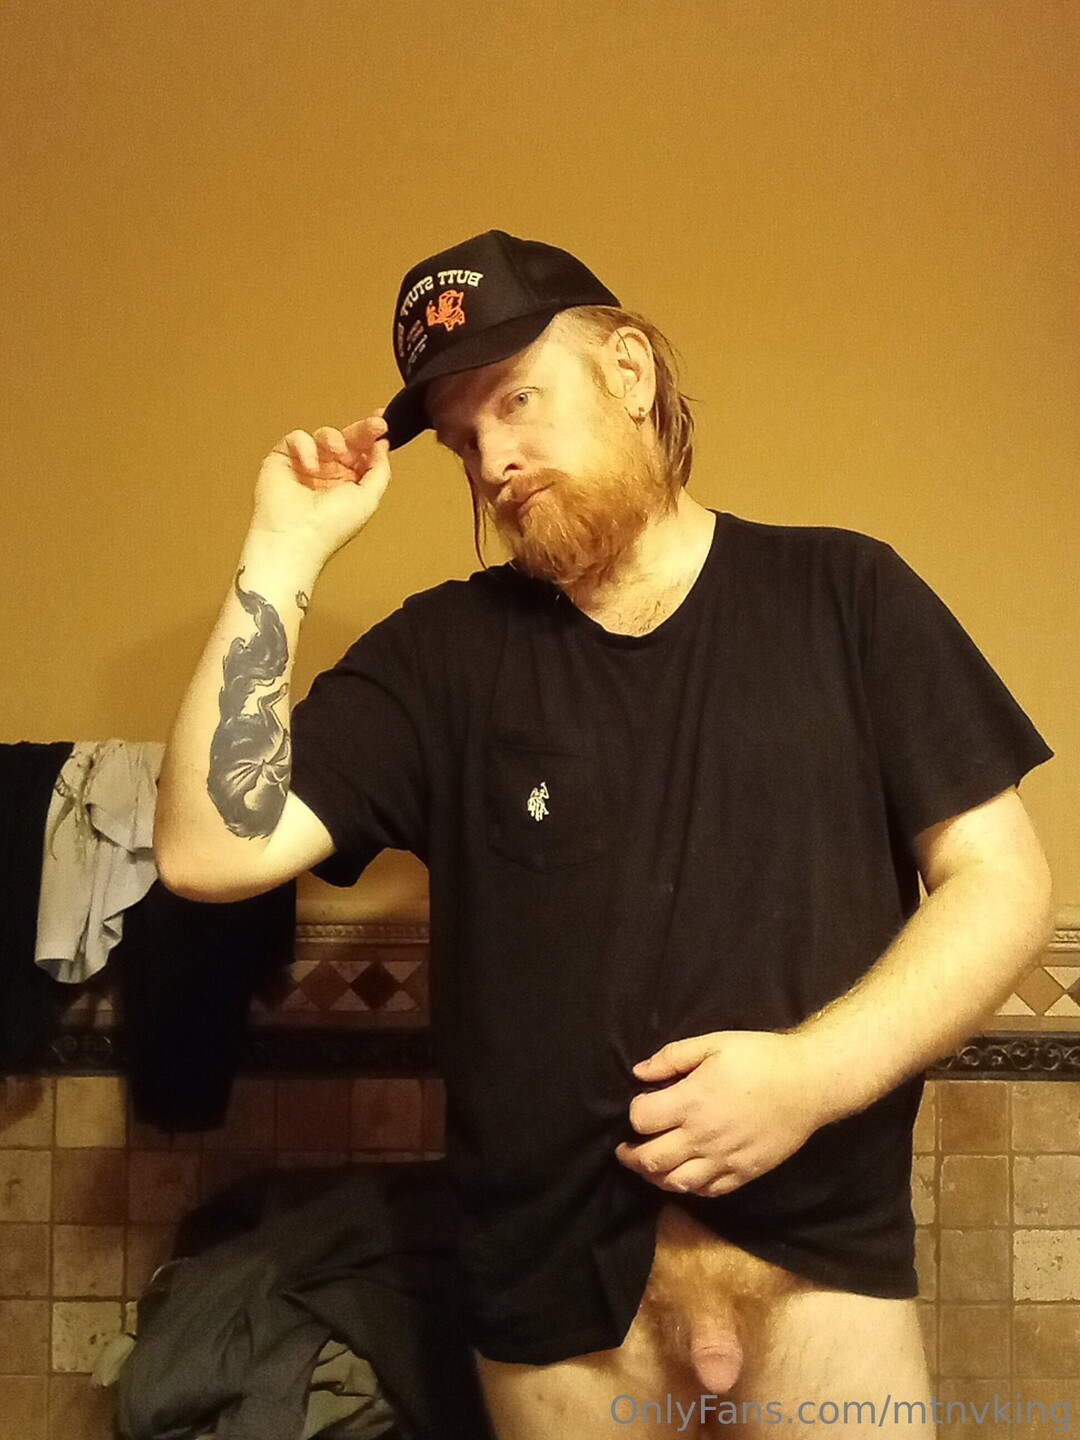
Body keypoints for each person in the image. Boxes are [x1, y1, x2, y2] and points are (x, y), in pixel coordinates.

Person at [155, 229, 1055, 1439]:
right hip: (555, 1325)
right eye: (463, 439)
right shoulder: (441, 656)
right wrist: (282, 549)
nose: (493, 460)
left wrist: (807, 1079)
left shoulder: (849, 597)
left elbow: (1002, 883)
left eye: (517, 400)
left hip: (823, 1289)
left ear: (629, 371)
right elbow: (209, 850)